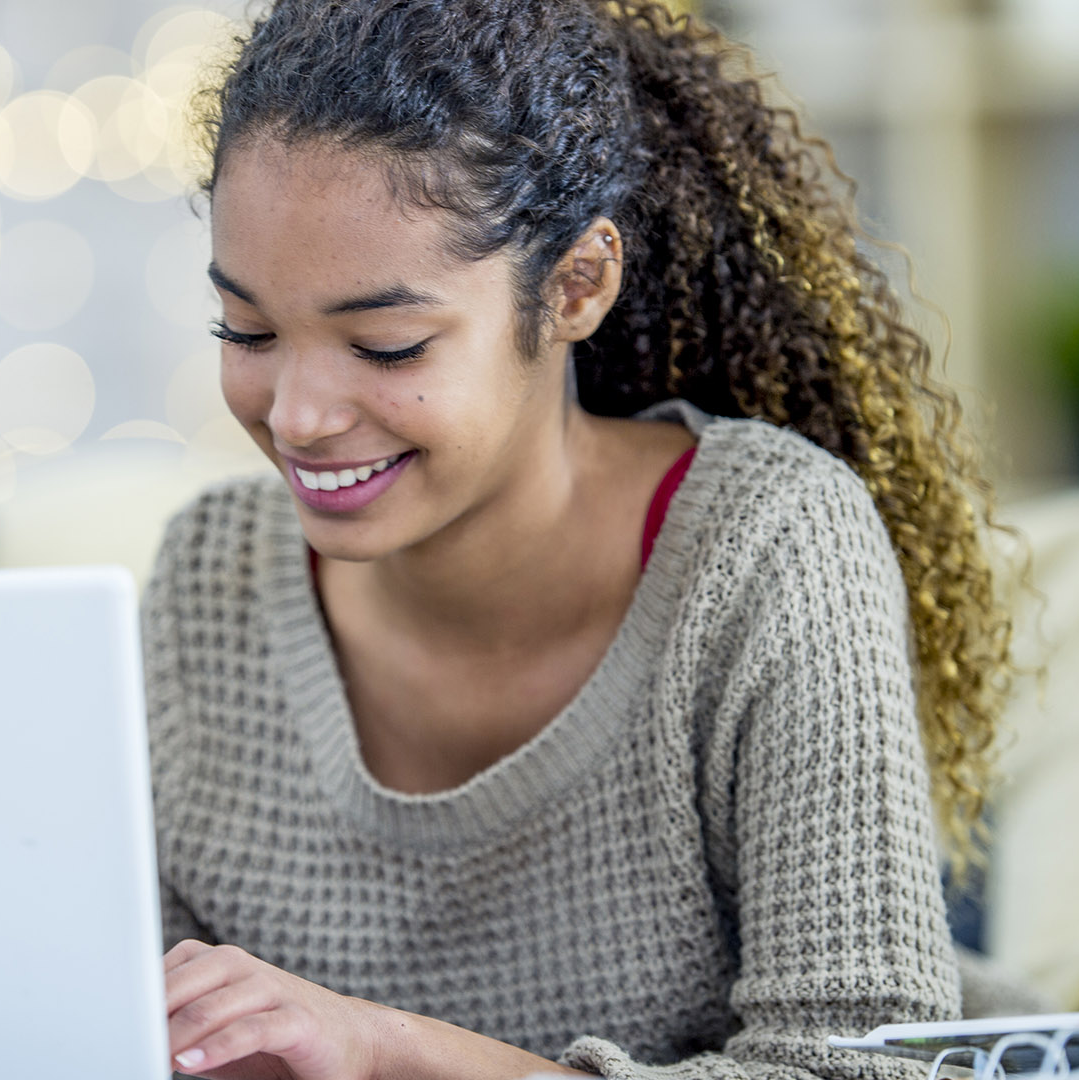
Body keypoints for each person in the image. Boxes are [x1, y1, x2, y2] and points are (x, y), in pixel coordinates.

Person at [143, 1, 1025, 1078]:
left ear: (576, 286)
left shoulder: (766, 552)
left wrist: (387, 1053)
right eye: (249, 331)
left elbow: (859, 1071)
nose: (297, 416)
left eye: (386, 345)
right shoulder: (205, 584)